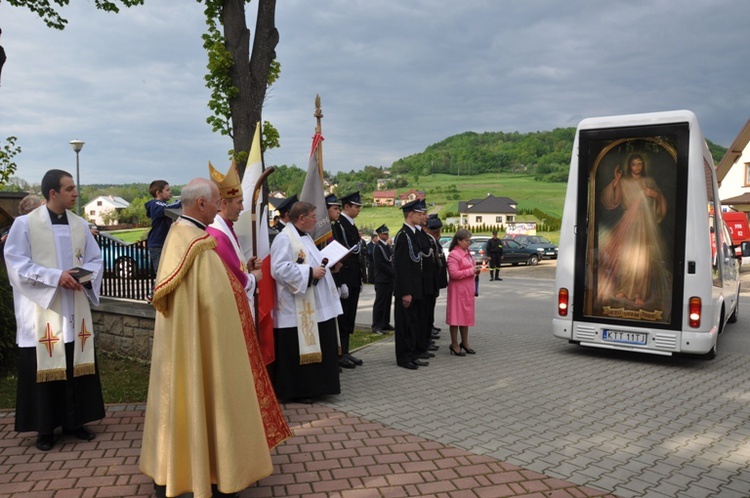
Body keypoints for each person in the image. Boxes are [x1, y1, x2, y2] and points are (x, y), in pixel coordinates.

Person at [140, 178, 290, 498]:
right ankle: (206, 473)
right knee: (199, 397)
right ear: (202, 204)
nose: (221, 207)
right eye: (217, 201)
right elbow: (205, 296)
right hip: (199, 339)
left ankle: (199, 469)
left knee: (195, 398)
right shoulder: (191, 240)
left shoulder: (191, 236)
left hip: (197, 338)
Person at [4, 169, 105, 451]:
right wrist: (55, 277)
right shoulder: (24, 225)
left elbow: (96, 260)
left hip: (74, 307)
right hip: (42, 310)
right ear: (53, 193)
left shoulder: (80, 224)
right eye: (70, 188)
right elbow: (16, 264)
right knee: (46, 364)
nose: (75, 193)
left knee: (74, 361)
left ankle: (76, 421)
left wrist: (83, 276)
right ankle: (45, 428)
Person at [270, 201, 343, 403]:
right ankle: (299, 391)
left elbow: (312, 261)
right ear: (301, 218)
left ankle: (318, 387)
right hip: (295, 308)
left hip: (314, 304)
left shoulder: (306, 237)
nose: (316, 220)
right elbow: (279, 269)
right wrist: (310, 272)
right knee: (298, 348)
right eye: (313, 216)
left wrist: (329, 268)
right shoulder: (284, 239)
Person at [598, 153, 669, 309]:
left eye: (640, 164)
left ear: (643, 166)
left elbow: (660, 202)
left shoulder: (649, 181)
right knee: (626, 257)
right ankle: (624, 289)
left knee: (642, 259)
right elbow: (610, 200)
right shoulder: (623, 182)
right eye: (634, 164)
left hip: (645, 224)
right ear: (629, 166)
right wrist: (615, 183)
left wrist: (655, 194)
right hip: (628, 223)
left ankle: (639, 294)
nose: (637, 167)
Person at [205, 161, 262, 316]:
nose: (242, 208)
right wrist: (253, 278)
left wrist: (246, 267)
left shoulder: (226, 227)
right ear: (224, 203)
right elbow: (232, 280)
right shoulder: (218, 234)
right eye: (239, 203)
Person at [392, 199, 430, 370]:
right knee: (404, 324)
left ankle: (412, 354)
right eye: (419, 213)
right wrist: (406, 291)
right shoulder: (403, 236)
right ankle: (404, 357)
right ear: (410, 214)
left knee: (414, 322)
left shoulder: (413, 234)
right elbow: (402, 267)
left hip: (416, 287)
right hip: (406, 289)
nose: (422, 216)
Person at [332, 191, 365, 368]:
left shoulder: (349, 225)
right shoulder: (339, 225)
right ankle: (341, 352)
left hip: (354, 276)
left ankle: (346, 350)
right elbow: (341, 253)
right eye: (356, 206)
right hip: (345, 275)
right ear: (347, 207)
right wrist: (342, 280)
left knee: (350, 315)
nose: (358, 209)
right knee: (343, 316)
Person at [446, 228, 480, 356]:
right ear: (458, 241)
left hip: (467, 290)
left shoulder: (467, 253)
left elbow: (469, 268)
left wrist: (475, 270)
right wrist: (471, 271)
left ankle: (465, 342)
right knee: (456, 318)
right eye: (466, 240)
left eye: (469, 240)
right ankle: (454, 344)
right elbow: (454, 274)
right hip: (457, 291)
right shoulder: (454, 255)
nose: (468, 243)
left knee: (466, 317)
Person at [145, 180, 181, 273]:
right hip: (158, 244)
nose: (170, 192)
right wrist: (182, 201)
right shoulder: (155, 204)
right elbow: (167, 209)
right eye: (167, 190)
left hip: (165, 243)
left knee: (168, 272)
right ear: (158, 193)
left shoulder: (164, 204)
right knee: (161, 273)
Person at [425, 214, 448, 343]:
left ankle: (430, 326)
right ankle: (428, 330)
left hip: (436, 279)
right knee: (427, 308)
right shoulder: (430, 242)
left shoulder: (435, 242)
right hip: (430, 281)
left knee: (431, 306)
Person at [371, 224, 395, 334]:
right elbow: (381, 264)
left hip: (388, 279)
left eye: (387, 233)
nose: (386, 235)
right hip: (381, 279)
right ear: (379, 235)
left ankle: (385, 323)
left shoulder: (387, 246)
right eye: (384, 233)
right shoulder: (378, 246)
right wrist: (393, 272)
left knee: (387, 302)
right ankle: (376, 325)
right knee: (380, 303)